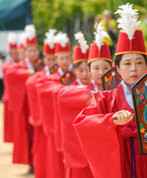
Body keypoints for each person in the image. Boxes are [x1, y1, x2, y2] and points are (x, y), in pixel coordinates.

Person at [73, 4, 147, 178]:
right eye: (127, 64)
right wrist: (111, 120)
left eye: (139, 62)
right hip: (120, 165)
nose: (134, 69)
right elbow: (83, 123)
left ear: (146, 66)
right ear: (118, 69)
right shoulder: (105, 99)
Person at [57, 31, 93, 178]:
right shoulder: (68, 89)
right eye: (80, 70)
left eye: (88, 70)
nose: (85, 74)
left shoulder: (98, 87)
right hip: (76, 145)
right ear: (74, 71)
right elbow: (62, 96)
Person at [36, 31, 72, 178]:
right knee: (57, 161)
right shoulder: (51, 78)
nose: (64, 61)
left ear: (71, 58)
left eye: (67, 57)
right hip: (57, 124)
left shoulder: (77, 74)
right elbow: (43, 89)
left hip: (71, 124)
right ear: (56, 60)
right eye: (61, 58)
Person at [5, 25, 39, 174]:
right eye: (29, 51)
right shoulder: (20, 66)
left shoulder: (41, 65)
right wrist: (26, 73)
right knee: (27, 134)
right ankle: (30, 163)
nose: (32, 53)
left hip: (38, 107)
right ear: (24, 53)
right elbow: (10, 73)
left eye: (34, 50)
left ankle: (38, 162)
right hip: (26, 106)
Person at [25, 29, 57, 178]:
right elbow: (32, 84)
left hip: (56, 122)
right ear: (44, 60)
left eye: (53, 58)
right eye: (48, 59)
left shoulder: (65, 76)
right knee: (43, 153)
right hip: (43, 121)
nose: (51, 62)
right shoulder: (38, 76)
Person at [2, 32, 19, 143]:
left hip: (17, 95)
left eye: (15, 52)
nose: (14, 54)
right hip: (9, 95)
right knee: (10, 120)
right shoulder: (6, 66)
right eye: (12, 53)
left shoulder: (18, 64)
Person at [87, 23, 112, 91]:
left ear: (111, 69)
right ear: (89, 70)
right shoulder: (84, 91)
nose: (101, 72)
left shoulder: (117, 91)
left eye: (105, 68)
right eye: (96, 68)